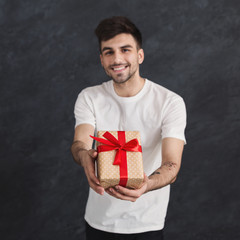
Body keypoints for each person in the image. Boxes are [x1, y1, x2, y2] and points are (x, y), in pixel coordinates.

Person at [71, 16, 187, 240]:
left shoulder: (170, 102)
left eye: (125, 50)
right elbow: (80, 143)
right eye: (108, 52)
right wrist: (84, 155)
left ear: (139, 55)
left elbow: (172, 164)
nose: (117, 59)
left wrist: (147, 184)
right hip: (99, 221)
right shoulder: (89, 97)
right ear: (102, 59)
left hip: (147, 223)